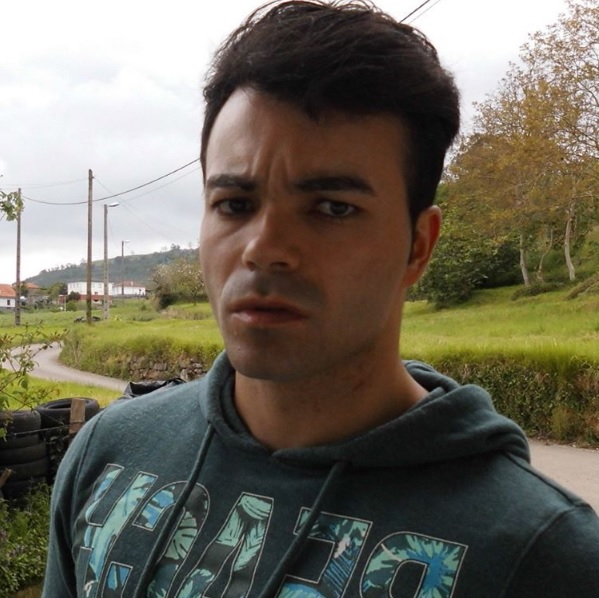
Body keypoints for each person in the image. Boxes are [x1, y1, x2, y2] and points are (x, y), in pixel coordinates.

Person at [43, 1, 599, 596]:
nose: (264, 249)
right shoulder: (108, 453)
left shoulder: (542, 554)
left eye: (333, 208)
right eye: (234, 204)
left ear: (418, 246)